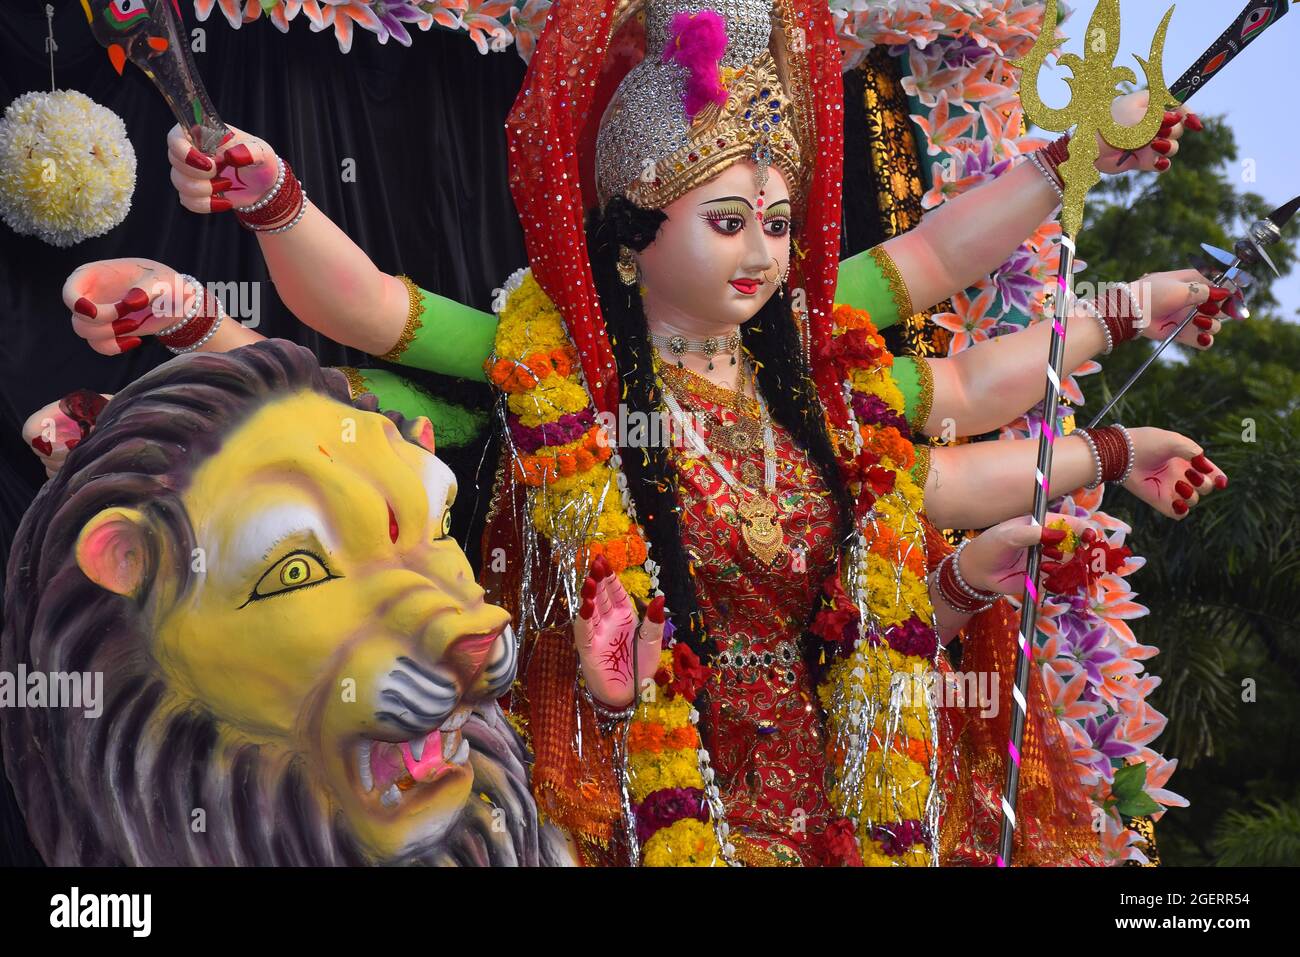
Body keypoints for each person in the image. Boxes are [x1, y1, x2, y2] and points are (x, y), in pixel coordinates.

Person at [37, 0, 1233, 865]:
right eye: (726, 221)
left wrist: (1113, 272)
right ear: (629, 235)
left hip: (841, 807)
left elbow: (953, 360)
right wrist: (265, 212)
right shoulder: (551, 367)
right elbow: (365, 319)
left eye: (775, 219)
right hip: (605, 804)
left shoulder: (815, 369)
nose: (764, 252)